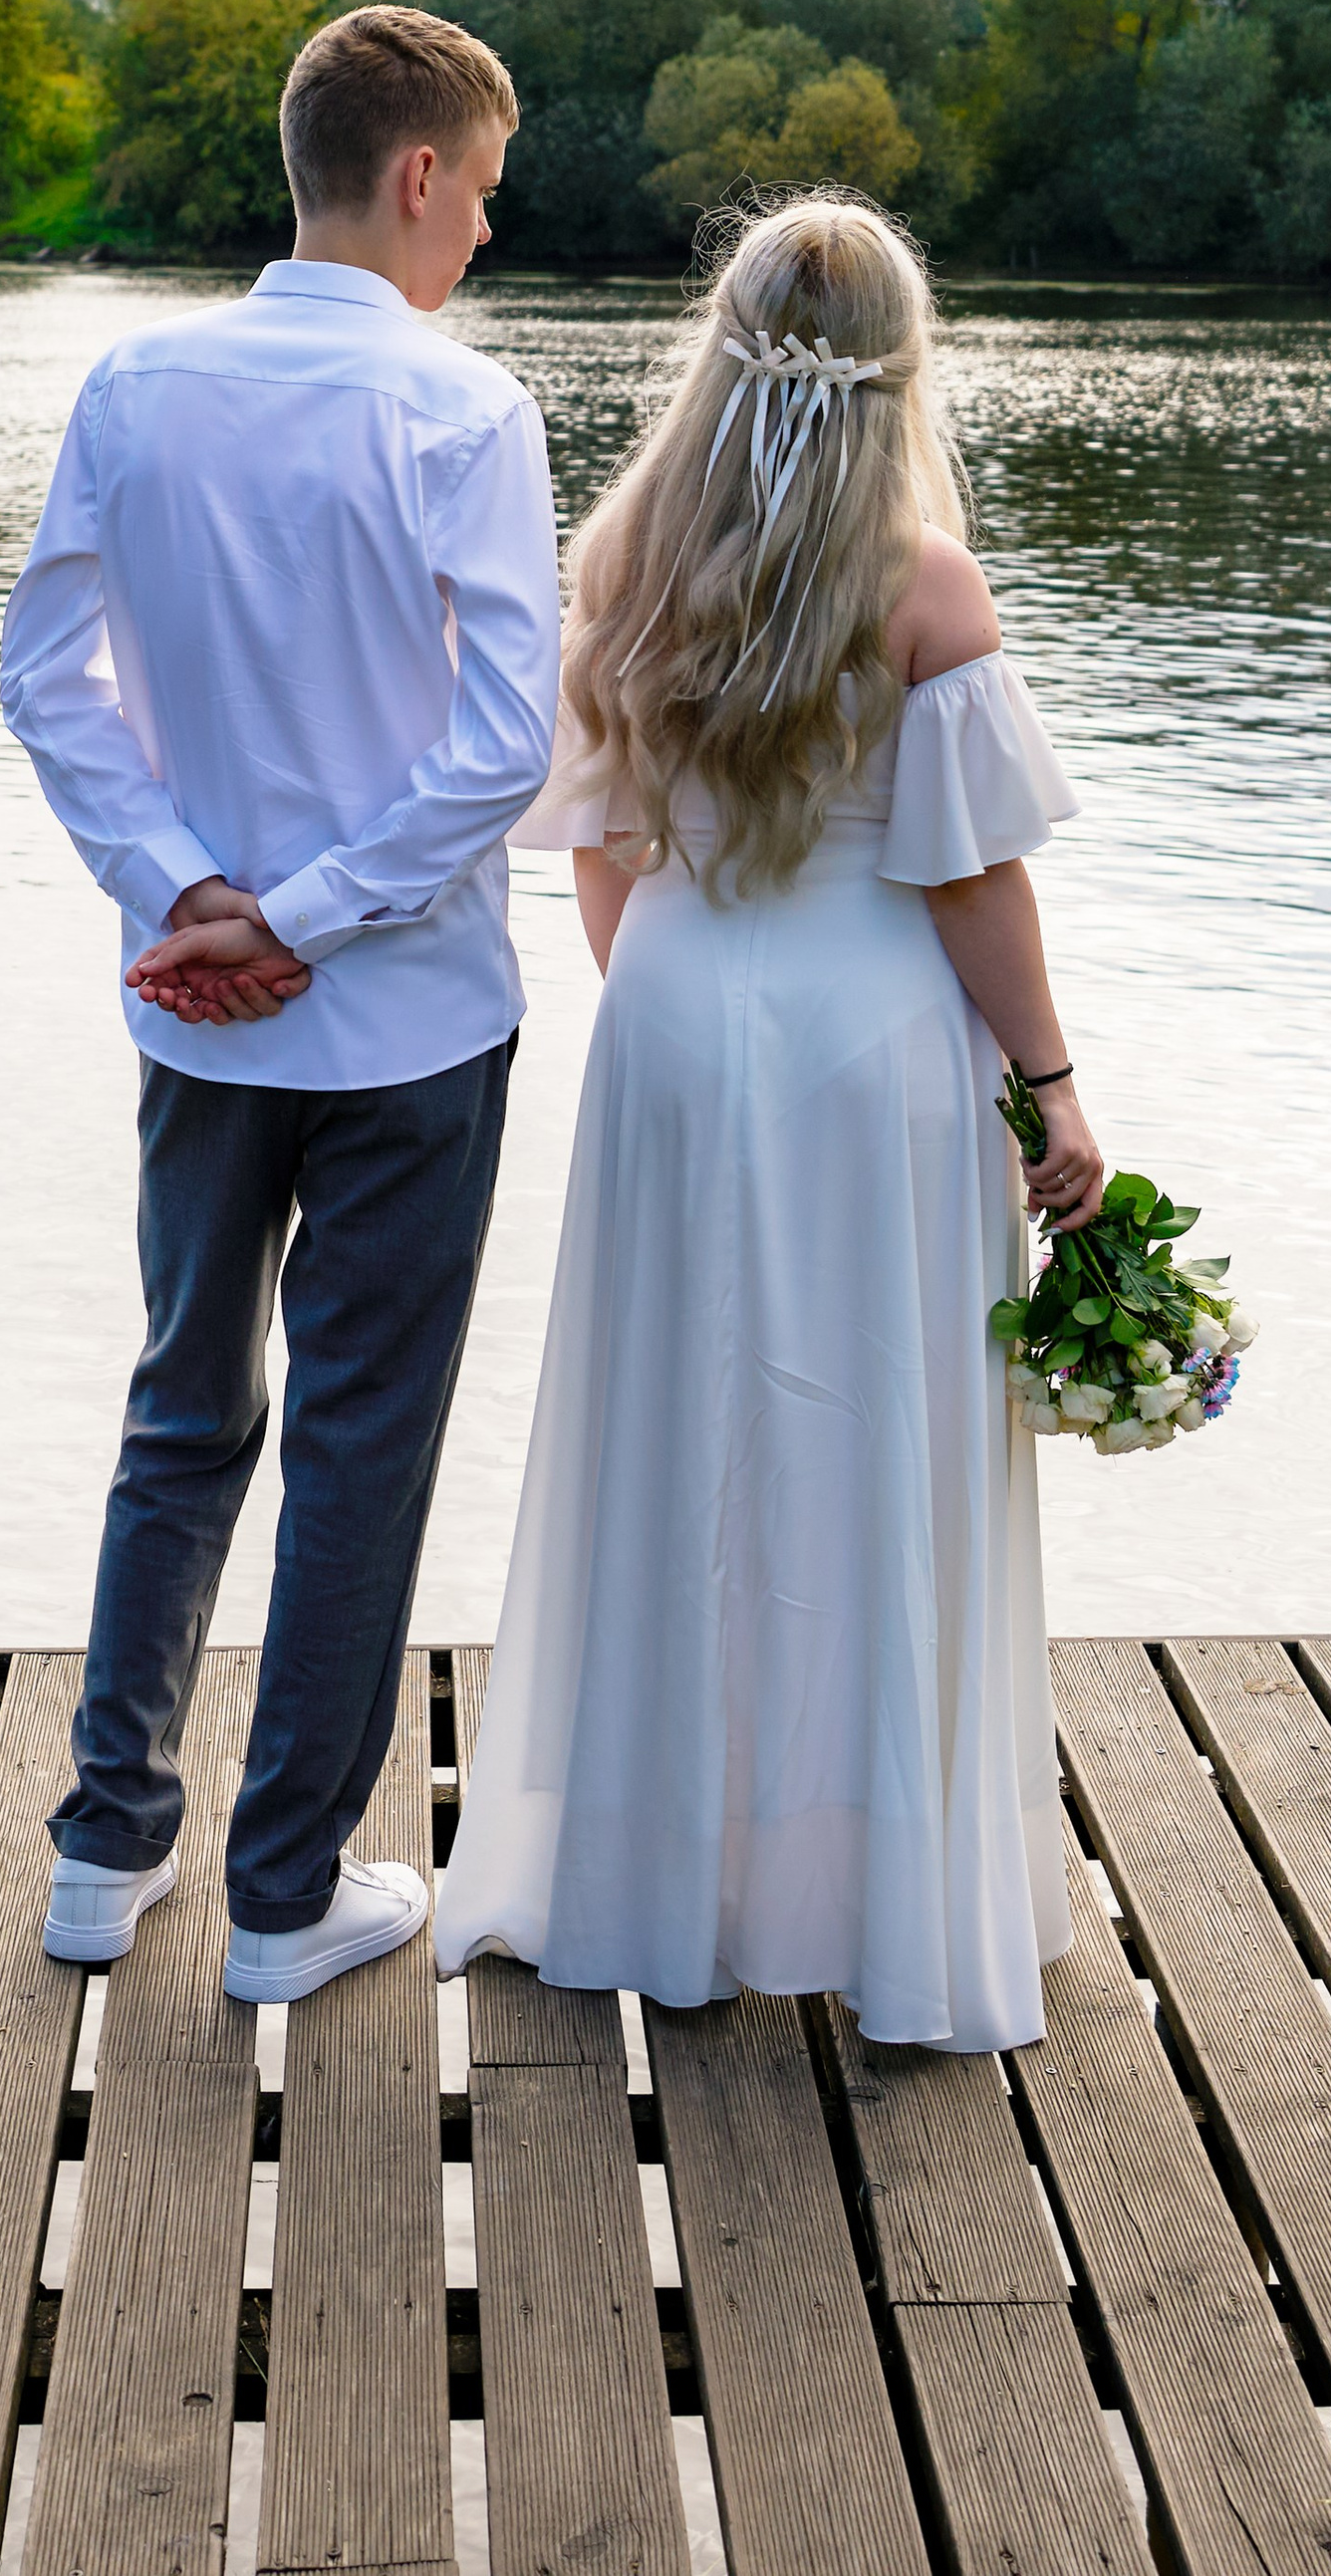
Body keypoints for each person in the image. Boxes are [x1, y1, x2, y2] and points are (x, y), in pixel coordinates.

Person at [435, 191, 1102, 2051]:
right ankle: (868, 1892)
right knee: (861, 1443)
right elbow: (974, 885)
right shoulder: (926, 584)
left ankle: (664, 1872)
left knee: (676, 1439)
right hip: (868, 1042)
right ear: (906, 365)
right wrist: (1052, 1089)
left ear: (719, 342)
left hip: (671, 1011)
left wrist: (668, 1006)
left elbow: (603, 849)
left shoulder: (626, 552)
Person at [0, 6, 559, 2004]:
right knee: (356, 1443)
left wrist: (186, 891)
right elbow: (508, 741)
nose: (483, 230)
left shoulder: (133, 383)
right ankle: (279, 1895)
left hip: (192, 1011)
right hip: (401, 1023)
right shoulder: (463, 413)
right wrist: (306, 912)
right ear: (414, 175)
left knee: (178, 1405)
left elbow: (45, 675)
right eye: (481, 189)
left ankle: (100, 1845)